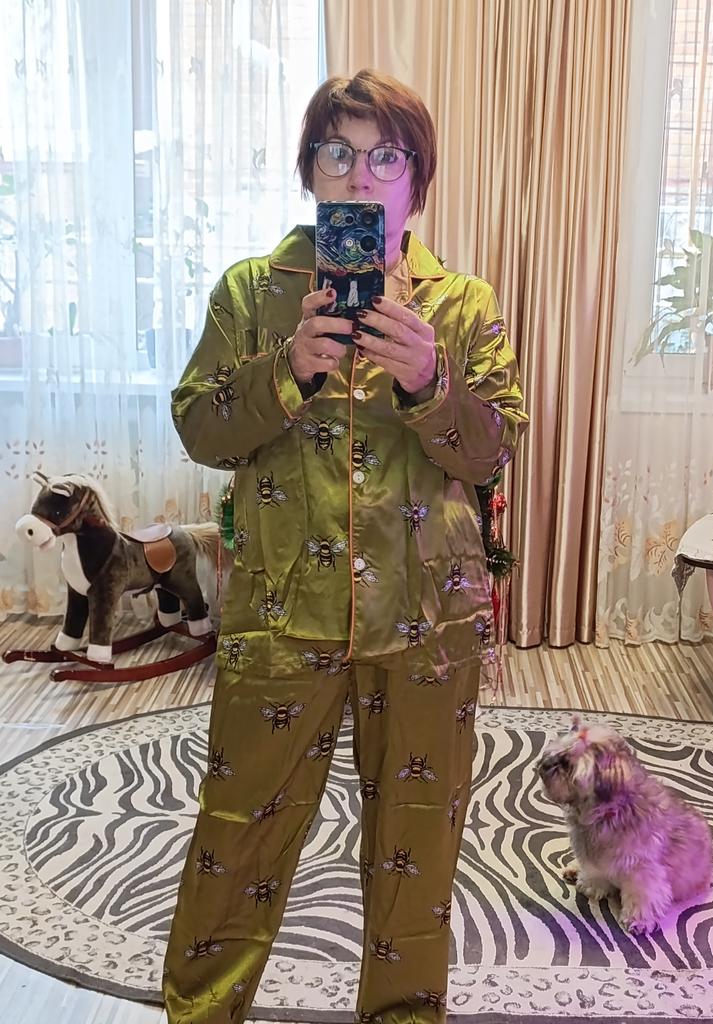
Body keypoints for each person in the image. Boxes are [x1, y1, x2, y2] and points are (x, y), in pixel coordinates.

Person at [163, 68, 527, 1024]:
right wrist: (285, 370)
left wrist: (432, 387)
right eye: (339, 152)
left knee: (417, 858)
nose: (361, 175)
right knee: (235, 843)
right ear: (310, 171)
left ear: (417, 181)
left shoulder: (462, 306)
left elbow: (492, 451)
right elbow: (199, 427)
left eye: (386, 156)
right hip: (282, 617)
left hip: (427, 627)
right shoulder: (252, 293)